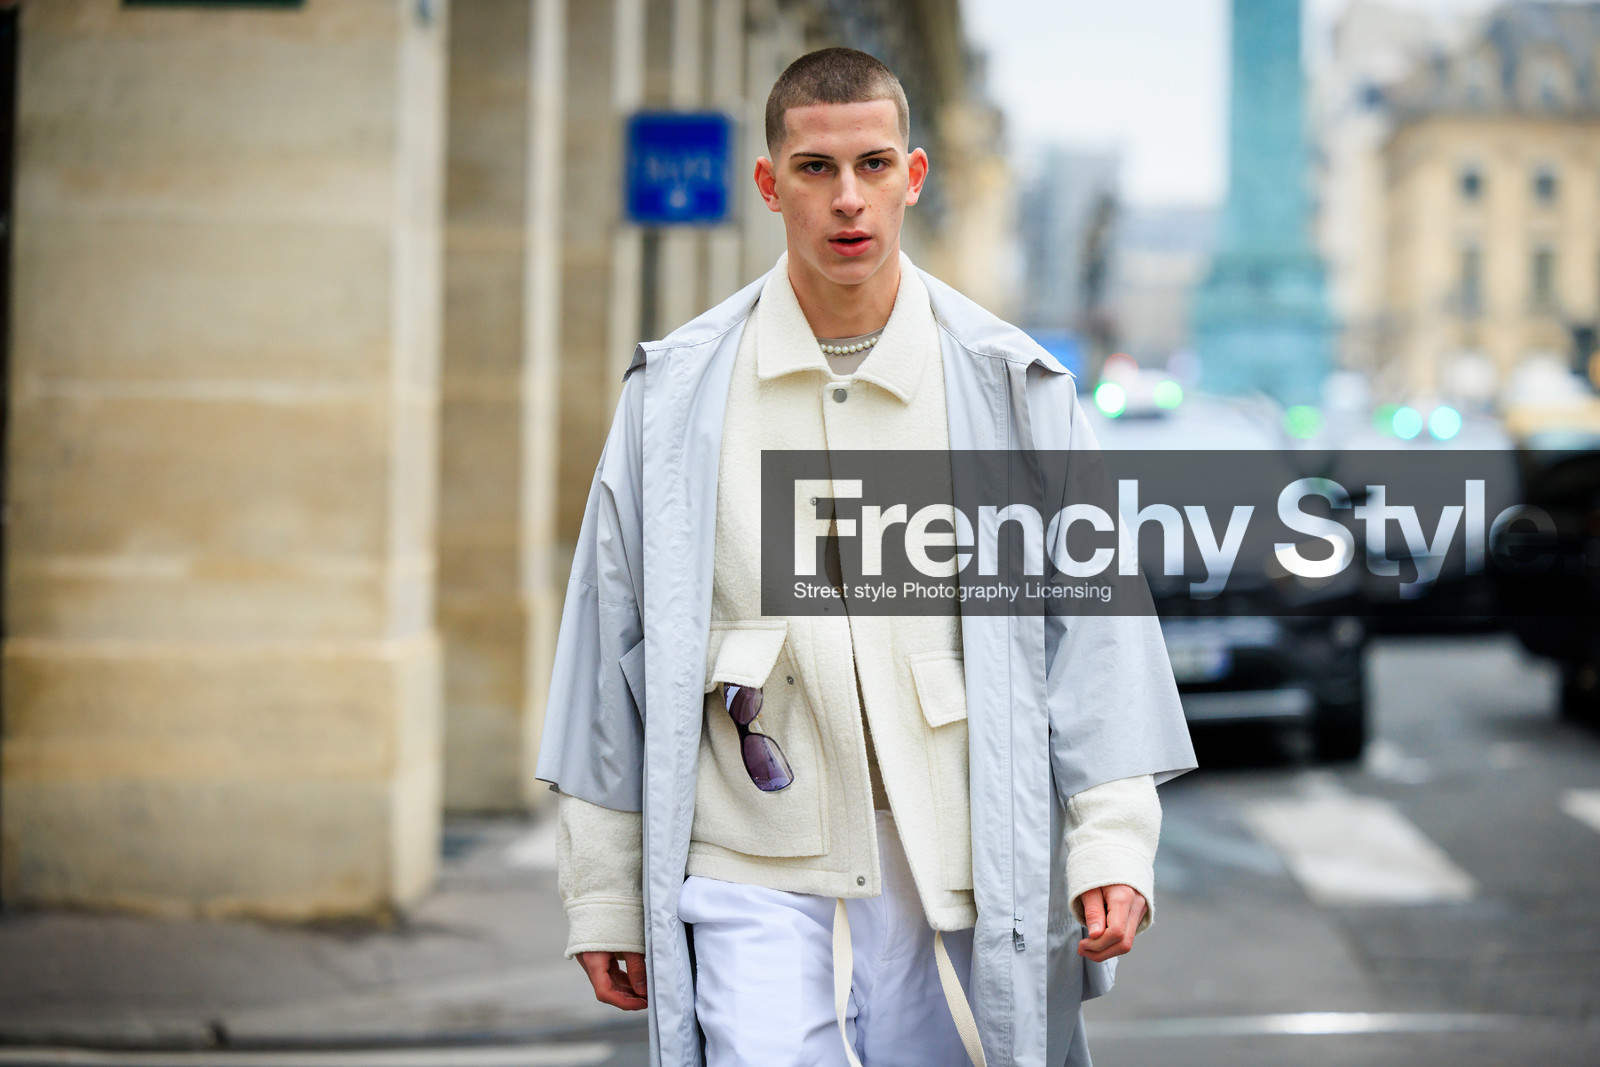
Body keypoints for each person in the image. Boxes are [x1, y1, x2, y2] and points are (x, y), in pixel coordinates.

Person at [536, 47, 1198, 1067]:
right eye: (814, 169)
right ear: (768, 183)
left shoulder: (1012, 389)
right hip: (750, 855)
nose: (848, 199)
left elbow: (1093, 633)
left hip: (958, 855)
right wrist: (601, 885)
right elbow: (604, 645)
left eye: (873, 166)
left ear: (913, 175)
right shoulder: (672, 397)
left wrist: (1111, 840)